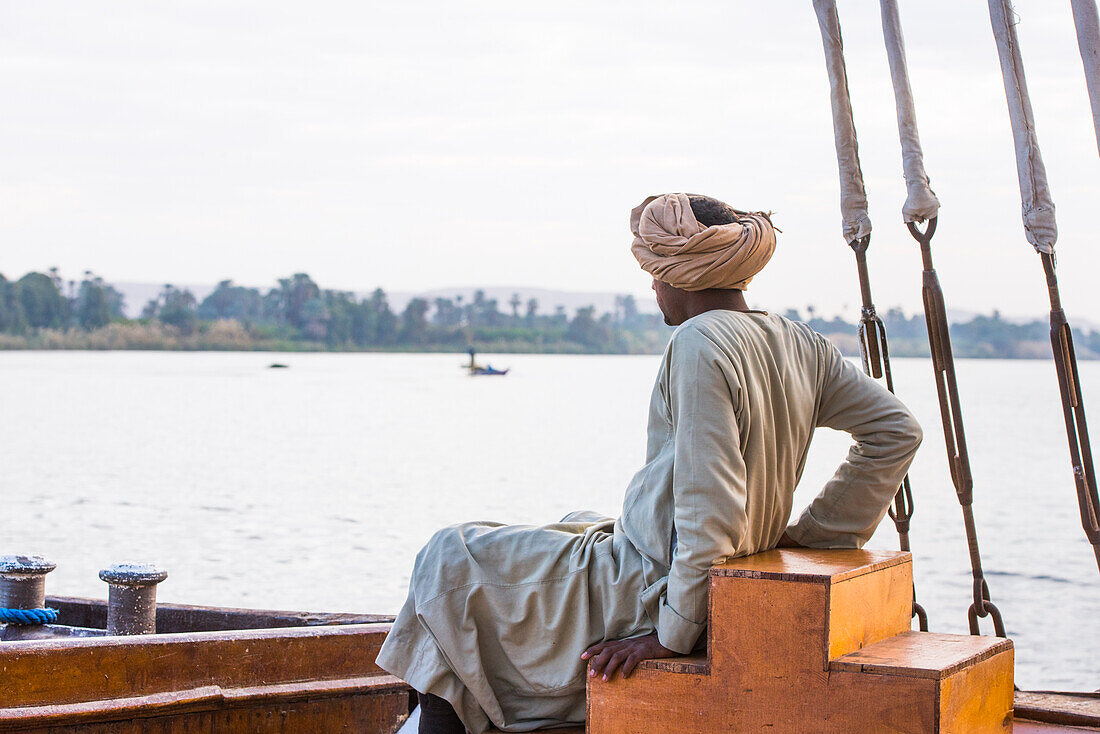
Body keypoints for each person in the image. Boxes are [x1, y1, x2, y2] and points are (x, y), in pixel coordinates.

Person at [376, 193, 923, 734]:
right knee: (574, 519)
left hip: (651, 586)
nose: (653, 287)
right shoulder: (800, 341)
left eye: (654, 273)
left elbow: (710, 505)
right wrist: (811, 540)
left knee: (450, 557)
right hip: (690, 569)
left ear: (677, 275)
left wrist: (672, 632)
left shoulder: (698, 341)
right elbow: (896, 431)